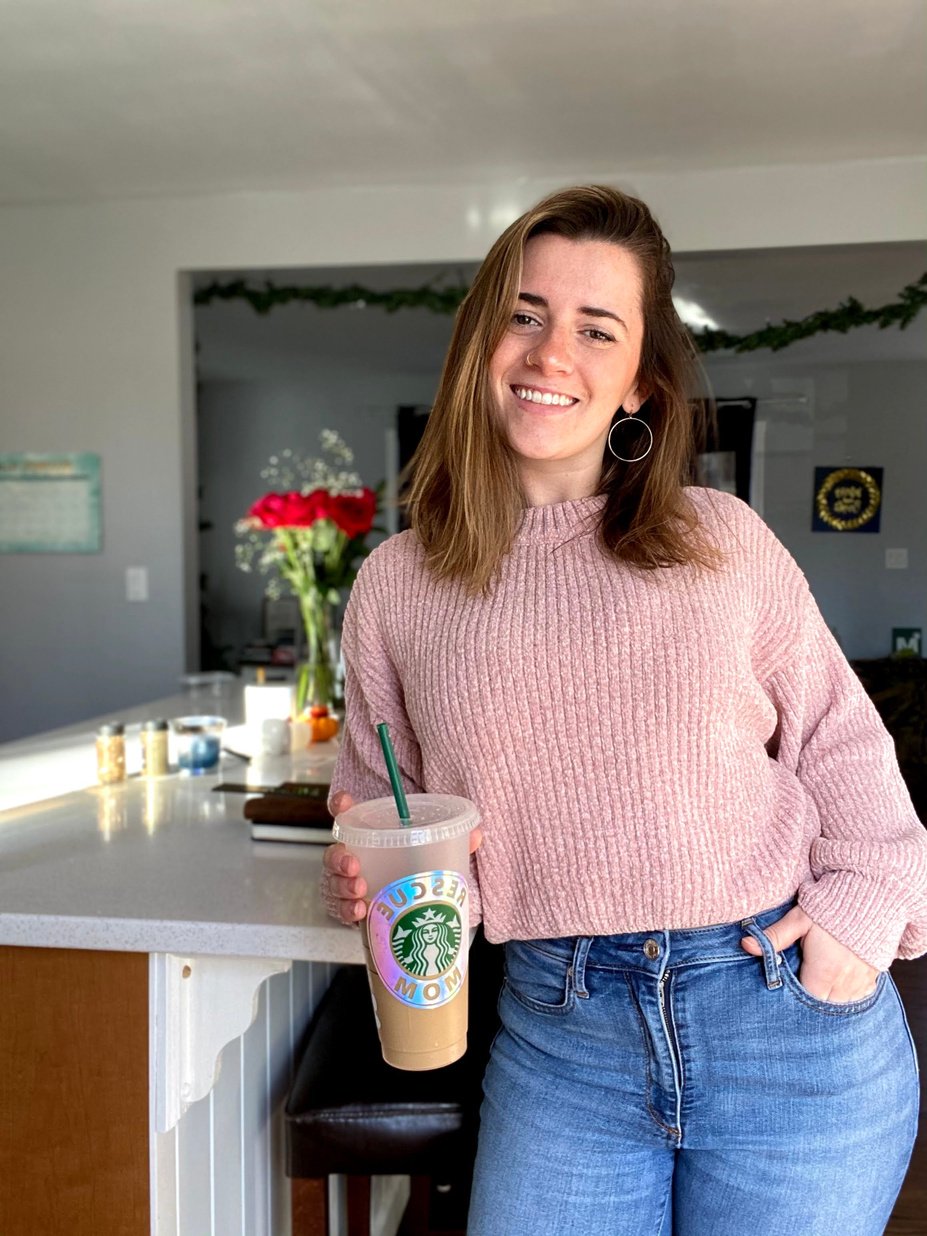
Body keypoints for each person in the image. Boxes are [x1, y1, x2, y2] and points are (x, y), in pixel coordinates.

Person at [320, 184, 926, 1235]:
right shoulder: (398, 584)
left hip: (784, 1020)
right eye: (524, 314)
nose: (552, 352)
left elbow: (842, 743)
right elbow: (395, 820)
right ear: (478, 344)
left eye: (596, 328)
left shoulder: (719, 539)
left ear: (640, 381)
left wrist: (859, 920)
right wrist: (371, 881)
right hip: (561, 1042)